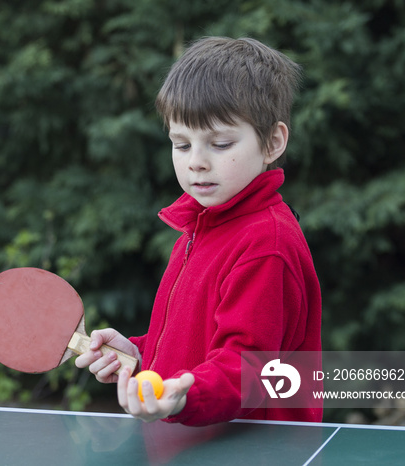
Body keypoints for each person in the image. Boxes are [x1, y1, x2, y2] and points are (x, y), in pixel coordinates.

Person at [75, 36, 322, 426]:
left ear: (273, 142)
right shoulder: (198, 228)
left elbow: (246, 369)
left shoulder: (265, 244)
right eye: (181, 144)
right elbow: (194, 345)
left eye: (220, 144)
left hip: (254, 452)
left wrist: (179, 398)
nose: (197, 162)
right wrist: (140, 355)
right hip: (192, 444)